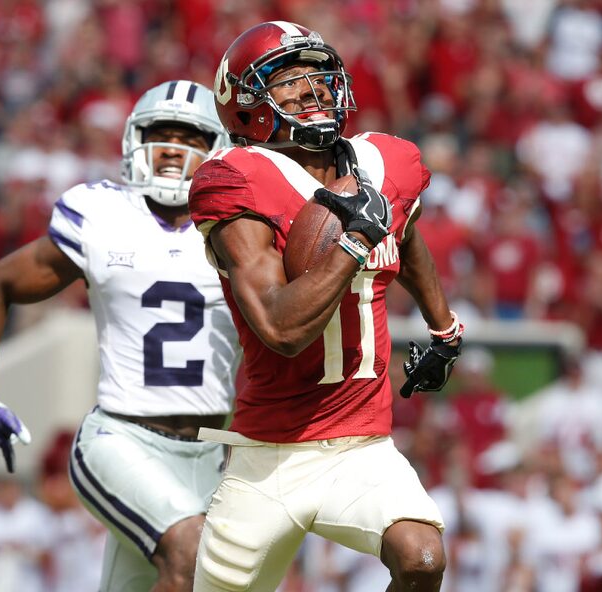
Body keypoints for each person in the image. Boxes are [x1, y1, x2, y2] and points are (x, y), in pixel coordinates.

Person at [188, 22, 463, 591]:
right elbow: (279, 327)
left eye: (316, 74)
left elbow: (404, 233)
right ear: (243, 105)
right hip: (269, 458)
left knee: (422, 558)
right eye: (286, 80)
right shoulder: (236, 180)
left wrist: (444, 328)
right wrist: (353, 244)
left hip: (362, 446)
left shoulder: (387, 162)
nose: (311, 90)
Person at [0, 80, 241, 592]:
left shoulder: (240, 231)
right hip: (120, 440)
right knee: (191, 554)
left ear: (216, 150)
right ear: (135, 140)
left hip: (207, 454)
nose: (173, 148)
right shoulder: (104, 213)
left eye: (190, 136)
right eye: (161, 133)